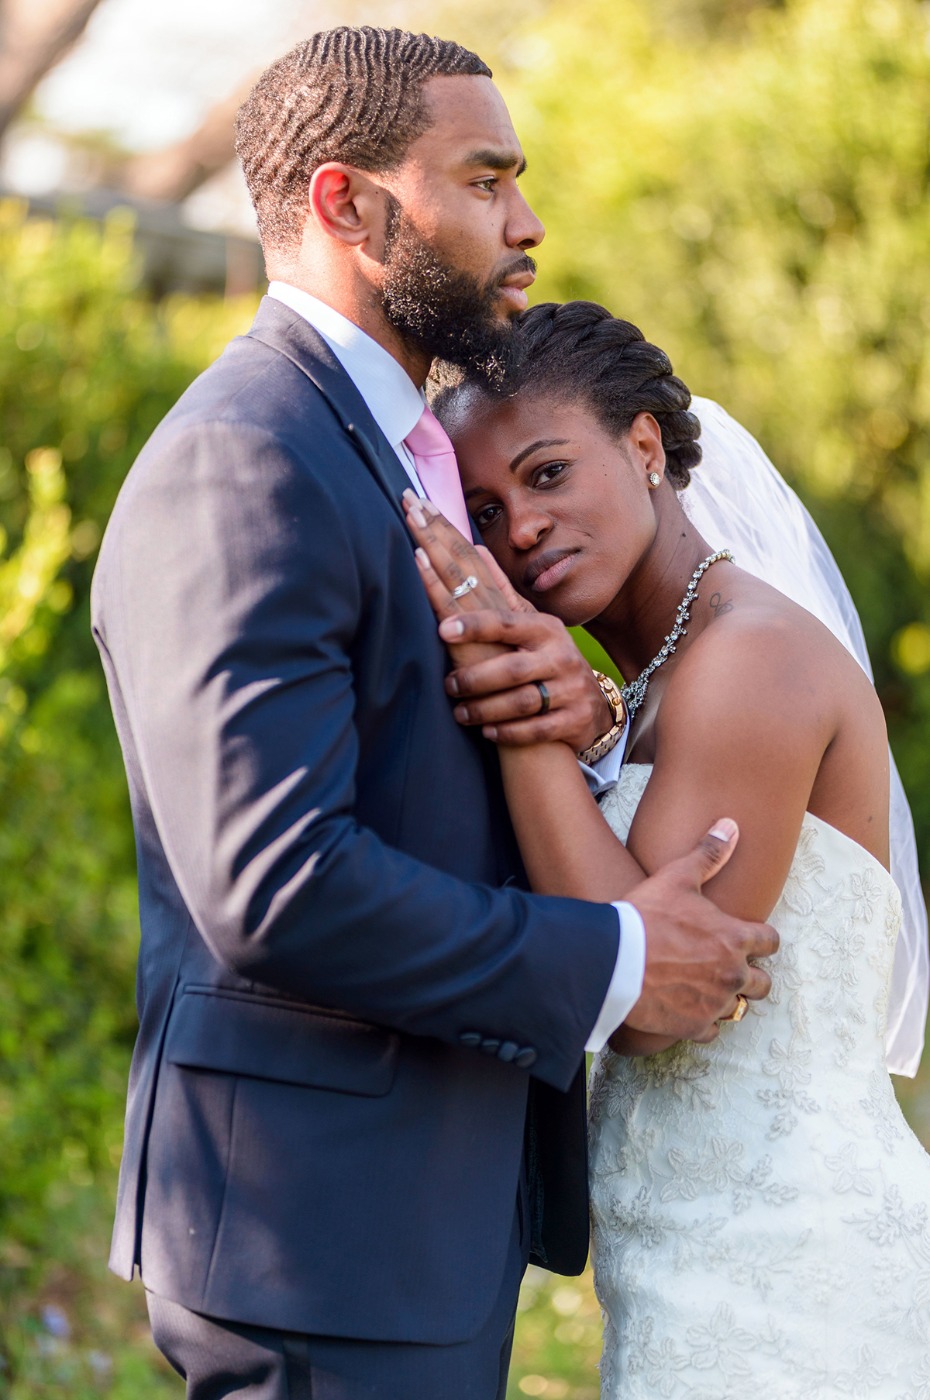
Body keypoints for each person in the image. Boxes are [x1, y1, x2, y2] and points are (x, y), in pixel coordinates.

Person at [90, 30, 778, 1400]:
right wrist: (616, 962)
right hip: (314, 1236)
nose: (524, 226)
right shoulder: (245, 458)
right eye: (482, 180)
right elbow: (275, 879)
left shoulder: (398, 448)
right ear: (349, 204)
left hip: (406, 1228)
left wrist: (575, 717)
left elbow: (415, 752)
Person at [408, 299, 930, 1396]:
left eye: (549, 475)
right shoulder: (657, 682)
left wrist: (519, 711)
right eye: (488, 510)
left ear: (646, 446)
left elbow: (649, 1006)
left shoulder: (751, 658)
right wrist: (584, 720)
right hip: (695, 1262)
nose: (521, 532)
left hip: (794, 1280)